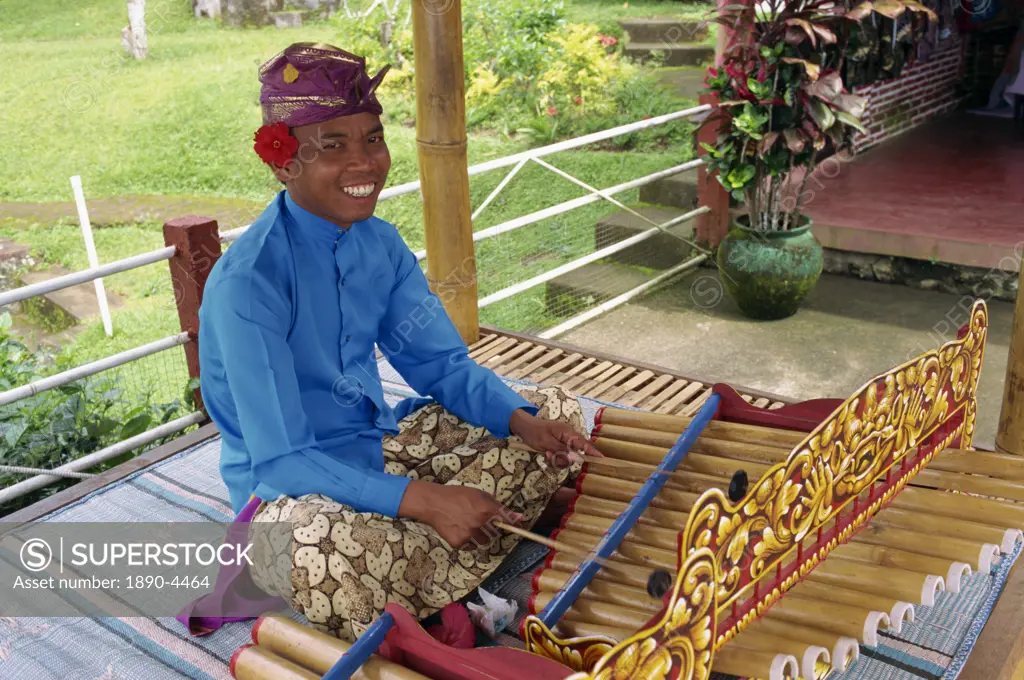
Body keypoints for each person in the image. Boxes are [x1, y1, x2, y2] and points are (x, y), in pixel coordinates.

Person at [177, 42, 600, 642]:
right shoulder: (250, 282)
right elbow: (283, 459)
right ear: (283, 161)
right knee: (320, 548)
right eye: (334, 145)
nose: (365, 163)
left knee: (551, 412)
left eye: (372, 139)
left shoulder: (380, 244)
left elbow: (440, 365)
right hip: (293, 496)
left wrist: (522, 421)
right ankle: (440, 580)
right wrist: (425, 501)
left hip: (379, 449)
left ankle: (419, 581)